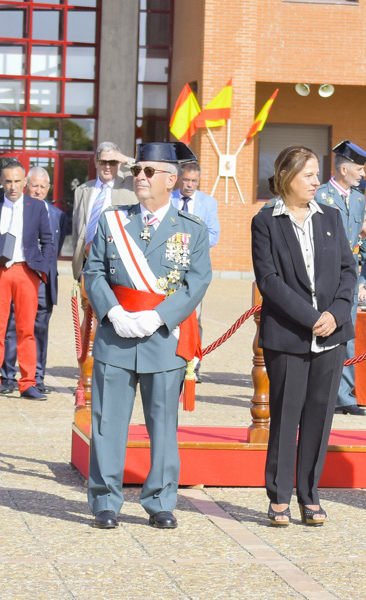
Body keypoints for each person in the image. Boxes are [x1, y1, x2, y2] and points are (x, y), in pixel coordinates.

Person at [84, 142, 211, 529]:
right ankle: (106, 499)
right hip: (116, 334)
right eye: (137, 171)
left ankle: (160, 500)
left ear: (171, 180)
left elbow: (198, 281)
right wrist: (114, 311)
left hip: (163, 338)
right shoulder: (112, 221)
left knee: (162, 423)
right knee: (108, 422)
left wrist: (157, 317)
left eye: (149, 172)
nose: (139, 177)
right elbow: (93, 272)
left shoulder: (191, 230)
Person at [251, 146, 356, 527]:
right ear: (285, 177)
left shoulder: (330, 216)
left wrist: (336, 313)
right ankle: (278, 496)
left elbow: (348, 270)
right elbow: (270, 281)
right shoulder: (265, 222)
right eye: (309, 175)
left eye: (316, 174)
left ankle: (309, 495)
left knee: (318, 418)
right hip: (289, 336)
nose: (316, 181)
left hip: (332, 333)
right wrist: (312, 318)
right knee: (286, 417)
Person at [0, 160, 54, 400]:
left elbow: (48, 240)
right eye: (8, 181)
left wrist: (41, 268)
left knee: (26, 330)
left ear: (25, 183)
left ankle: (28, 383)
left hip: (26, 271)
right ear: (1, 181)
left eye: (17, 181)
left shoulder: (37, 207)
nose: (12, 186)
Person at [315, 140, 366, 416]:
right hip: (323, 275)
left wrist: (361, 276)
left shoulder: (359, 198)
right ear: (344, 168)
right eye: (359, 169)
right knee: (322, 331)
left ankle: (344, 395)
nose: (363, 174)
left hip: (349, 277)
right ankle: (320, 392)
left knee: (347, 334)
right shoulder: (320, 195)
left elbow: (358, 241)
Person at [1, 166, 69, 395]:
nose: (38, 190)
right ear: (26, 185)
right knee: (11, 326)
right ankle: (7, 376)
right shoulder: (9, 210)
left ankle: (36, 378)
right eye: (34, 185)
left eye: (43, 186)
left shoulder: (58, 215)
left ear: (48, 188)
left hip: (43, 281)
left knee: (38, 329)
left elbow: (54, 249)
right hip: (16, 276)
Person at [170, 161, 219, 382]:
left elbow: (214, 234)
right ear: (180, 179)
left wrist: (187, 242)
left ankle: (193, 364)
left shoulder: (208, 203)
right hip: (168, 266)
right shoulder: (168, 198)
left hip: (194, 268)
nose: (189, 185)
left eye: (194, 181)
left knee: (193, 316)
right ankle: (167, 362)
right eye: (186, 180)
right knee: (168, 314)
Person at [72, 142, 136, 281]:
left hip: (117, 263)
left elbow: (147, 171)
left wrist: (125, 159)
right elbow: (76, 230)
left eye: (112, 162)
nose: (107, 167)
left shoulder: (129, 185)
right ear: (96, 163)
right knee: (87, 303)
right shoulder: (82, 190)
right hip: (87, 262)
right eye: (103, 162)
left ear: (119, 164)